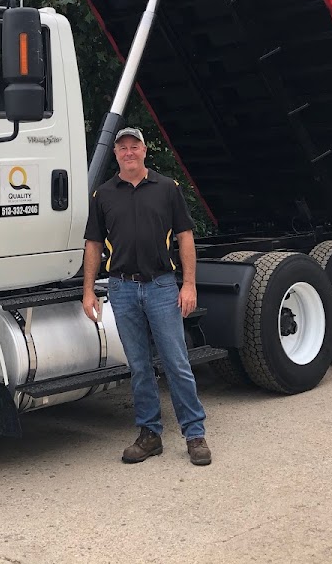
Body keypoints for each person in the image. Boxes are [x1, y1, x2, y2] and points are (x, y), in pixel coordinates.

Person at [82, 127, 211, 466]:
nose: (129, 152)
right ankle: (149, 434)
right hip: (121, 289)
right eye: (122, 147)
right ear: (115, 154)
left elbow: (185, 237)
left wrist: (189, 284)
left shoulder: (167, 188)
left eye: (134, 146)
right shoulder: (103, 194)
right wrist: (88, 291)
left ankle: (195, 434)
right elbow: (93, 244)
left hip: (162, 286)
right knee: (139, 366)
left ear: (144, 151)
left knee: (176, 362)